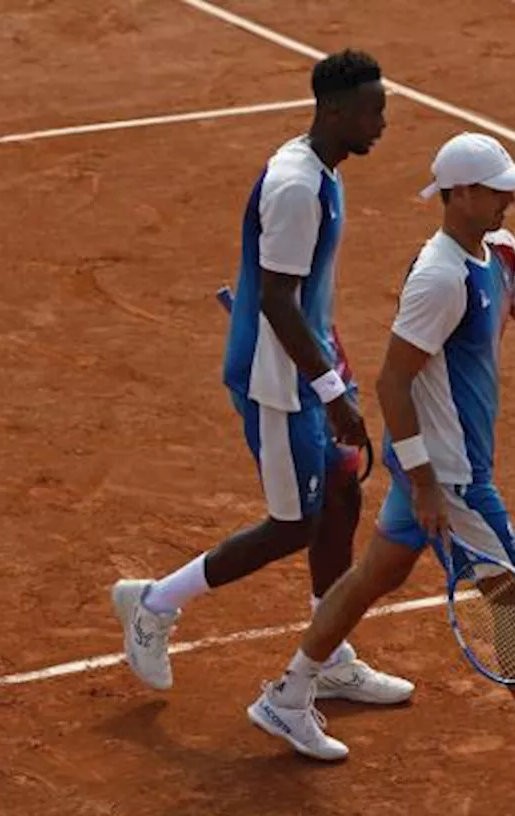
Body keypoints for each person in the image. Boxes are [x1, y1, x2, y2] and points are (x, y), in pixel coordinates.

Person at [246, 132, 515, 811]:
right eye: (500, 189)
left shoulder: (501, 253)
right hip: (450, 479)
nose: (512, 198)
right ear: (462, 195)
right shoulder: (440, 277)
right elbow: (393, 384)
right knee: (513, 608)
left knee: (376, 575)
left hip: (448, 468)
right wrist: (424, 485)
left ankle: (290, 693)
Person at [110, 49, 413, 707]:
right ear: (334, 110)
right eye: (373, 110)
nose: (383, 123)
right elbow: (277, 300)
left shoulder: (324, 173)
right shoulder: (297, 187)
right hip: (276, 382)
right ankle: (155, 604)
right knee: (294, 523)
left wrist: (336, 369)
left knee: (342, 499)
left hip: (311, 365)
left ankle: (328, 653)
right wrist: (330, 394)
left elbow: (302, 298)